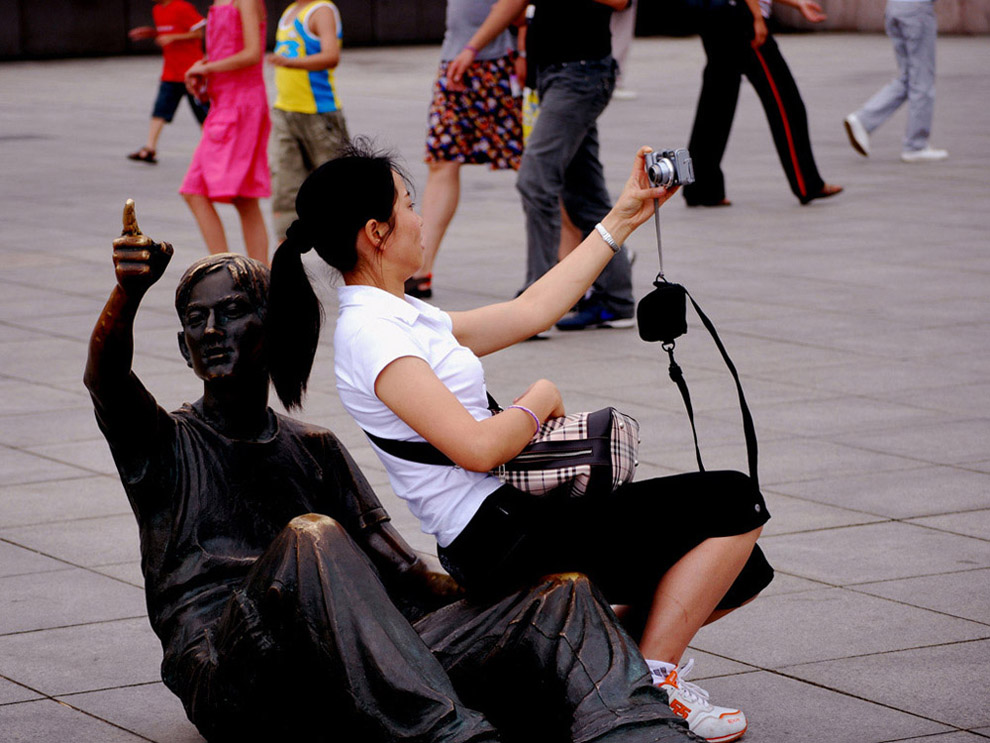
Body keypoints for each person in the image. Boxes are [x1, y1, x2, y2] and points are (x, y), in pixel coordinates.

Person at [84, 204, 704, 743]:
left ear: (272, 330)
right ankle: (447, 733)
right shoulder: (166, 446)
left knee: (560, 590)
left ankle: (637, 725)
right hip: (238, 675)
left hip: (343, 668)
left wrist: (512, 605)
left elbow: (406, 573)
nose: (212, 331)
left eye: (233, 312)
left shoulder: (315, 448)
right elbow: (106, 381)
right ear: (181, 345)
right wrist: (128, 294)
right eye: (196, 320)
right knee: (312, 538)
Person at [265, 142, 774, 743]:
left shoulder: (404, 315)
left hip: (516, 518)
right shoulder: (373, 335)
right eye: (410, 205)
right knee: (734, 503)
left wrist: (625, 215)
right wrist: (539, 398)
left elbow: (532, 310)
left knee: (741, 570)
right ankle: (653, 685)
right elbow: (476, 448)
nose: (422, 218)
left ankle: (608, 668)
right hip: (497, 535)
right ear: (377, 232)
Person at [446, 0, 637, 331]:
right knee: (583, 192)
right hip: (552, 74)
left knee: (535, 180)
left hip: (582, 73)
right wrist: (472, 49)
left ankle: (538, 303)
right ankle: (615, 300)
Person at [404, 0, 525, 300]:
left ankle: (584, 256)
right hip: (456, 58)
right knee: (442, 160)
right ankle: (421, 268)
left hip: (500, 62)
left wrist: (478, 47)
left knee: (539, 168)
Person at [682, 0, 842, 207]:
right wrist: (757, 16)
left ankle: (701, 189)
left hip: (717, 16)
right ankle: (807, 183)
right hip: (742, 16)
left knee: (717, 101)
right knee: (785, 100)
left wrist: (797, 4)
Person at [180, 0, 270, 264]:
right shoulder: (222, 2)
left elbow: (253, 53)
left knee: (214, 193)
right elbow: (230, 51)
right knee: (239, 197)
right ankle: (242, 275)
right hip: (227, 105)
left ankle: (231, 273)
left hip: (241, 107)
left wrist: (206, 68)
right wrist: (206, 71)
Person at [267, 0, 351, 241]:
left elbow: (331, 56)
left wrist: (290, 63)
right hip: (285, 111)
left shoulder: (321, 10)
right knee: (285, 187)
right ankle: (285, 255)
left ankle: (349, 252)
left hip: (318, 115)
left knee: (336, 189)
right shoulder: (289, 12)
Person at [843, 0, 947, 163]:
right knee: (922, 80)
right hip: (917, 10)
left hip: (896, 7)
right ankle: (916, 145)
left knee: (908, 77)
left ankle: (863, 120)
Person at [127, 0, 209, 164]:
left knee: (203, 115)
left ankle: (212, 149)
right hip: (171, 72)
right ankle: (150, 148)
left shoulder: (182, 7)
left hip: (192, 71)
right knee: (159, 110)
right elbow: (166, 33)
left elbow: (199, 33)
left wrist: (172, 37)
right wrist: (152, 33)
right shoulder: (157, 9)